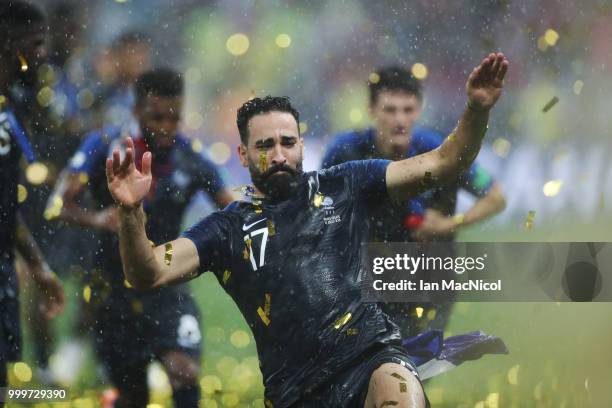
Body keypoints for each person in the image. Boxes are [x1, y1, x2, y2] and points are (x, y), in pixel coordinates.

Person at [108, 54, 509, 407]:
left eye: (288, 141)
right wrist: (130, 212)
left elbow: (444, 163)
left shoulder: (348, 183)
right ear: (243, 154)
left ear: (302, 145)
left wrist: (476, 109)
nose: (279, 154)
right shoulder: (225, 229)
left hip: (370, 359)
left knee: (399, 389)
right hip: (294, 390)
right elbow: (147, 272)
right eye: (265, 145)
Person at [53, 68, 234, 407]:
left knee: (184, 371)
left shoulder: (191, 158)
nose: (167, 127)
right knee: (132, 395)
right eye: (156, 117)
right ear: (136, 111)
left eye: (174, 117)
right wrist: (98, 218)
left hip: (168, 285)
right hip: (113, 290)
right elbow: (58, 206)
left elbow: (234, 212)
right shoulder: (104, 146)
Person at [322, 65, 506, 337]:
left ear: (419, 109)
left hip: (430, 280)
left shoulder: (439, 150)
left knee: (413, 370)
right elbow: (321, 211)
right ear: (372, 110)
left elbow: (496, 198)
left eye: (408, 110)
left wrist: (450, 223)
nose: (400, 120)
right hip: (367, 280)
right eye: (390, 110)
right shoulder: (346, 152)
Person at [0, 0, 64, 393]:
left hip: (4, 268)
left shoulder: (12, 108)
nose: (43, 55)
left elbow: (6, 205)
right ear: (8, 40)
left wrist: (37, 266)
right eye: (36, 43)